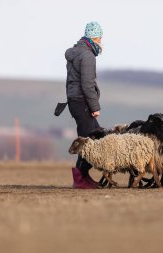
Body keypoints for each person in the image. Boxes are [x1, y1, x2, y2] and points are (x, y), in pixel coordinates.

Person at [65, 21, 104, 189]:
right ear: (95, 38)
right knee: (91, 140)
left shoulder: (77, 52)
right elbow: (87, 84)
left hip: (75, 101)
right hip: (82, 102)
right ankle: (79, 179)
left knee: (93, 138)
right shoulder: (87, 55)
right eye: (100, 38)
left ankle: (83, 176)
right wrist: (95, 107)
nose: (101, 42)